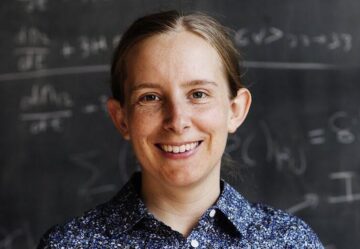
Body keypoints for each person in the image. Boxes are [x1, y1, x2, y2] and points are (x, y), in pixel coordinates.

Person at [37, 10, 323, 248]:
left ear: (235, 110)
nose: (177, 120)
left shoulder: (289, 241)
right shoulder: (70, 244)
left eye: (198, 94)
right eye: (150, 97)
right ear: (121, 118)